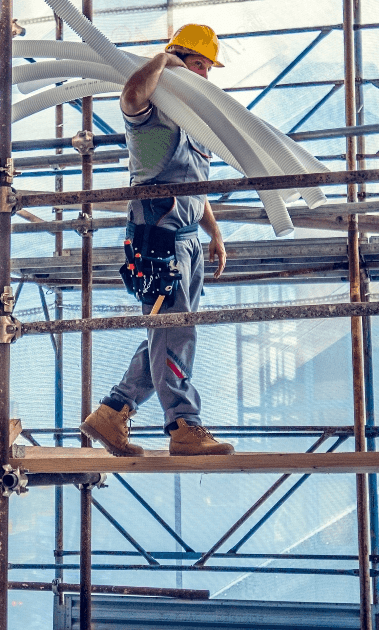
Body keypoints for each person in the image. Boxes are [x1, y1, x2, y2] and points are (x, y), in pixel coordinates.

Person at [79, 24, 235, 457]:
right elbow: (130, 97)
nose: (204, 76)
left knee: (166, 334)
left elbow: (193, 189)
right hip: (158, 242)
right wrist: (164, 61)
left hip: (187, 242)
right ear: (180, 59)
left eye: (207, 68)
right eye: (198, 64)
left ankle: (113, 412)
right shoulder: (153, 123)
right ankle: (184, 425)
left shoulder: (191, 126)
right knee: (174, 332)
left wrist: (215, 234)